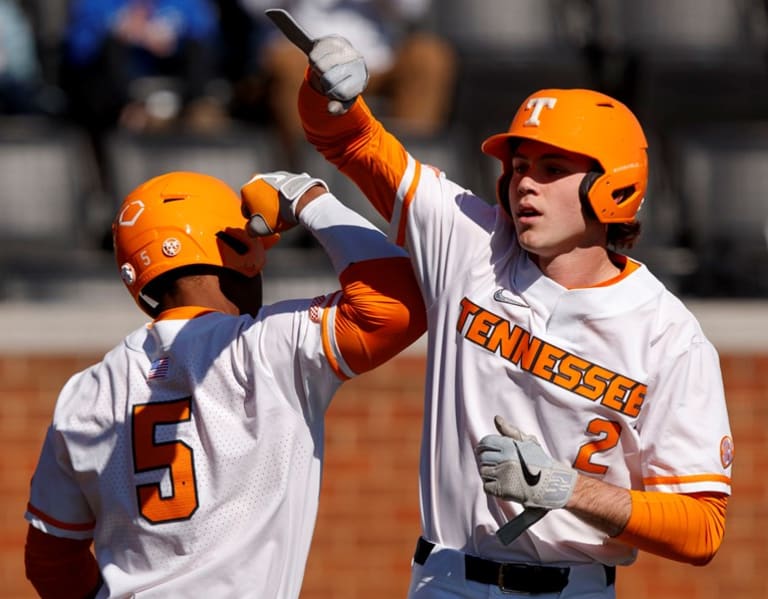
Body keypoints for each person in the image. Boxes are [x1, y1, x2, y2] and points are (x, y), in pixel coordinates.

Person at [290, 30, 734, 598]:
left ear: (615, 187)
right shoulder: (472, 243)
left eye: (552, 168)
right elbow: (349, 141)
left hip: (573, 588)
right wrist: (327, 89)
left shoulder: (669, 335)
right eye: (519, 166)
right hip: (445, 580)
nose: (525, 182)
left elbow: (702, 528)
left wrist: (566, 488)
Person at [24, 169, 426, 597]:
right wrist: (311, 200)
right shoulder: (262, 348)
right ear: (234, 248)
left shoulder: (85, 392)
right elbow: (398, 304)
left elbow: (50, 560)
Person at [233, 0, 456, 168]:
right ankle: (310, 183)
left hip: (376, 62)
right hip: (302, 55)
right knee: (289, 65)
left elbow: (411, 8)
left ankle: (404, 181)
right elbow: (254, 5)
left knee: (429, 59)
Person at [60, 0, 229, 135]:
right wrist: (124, 29)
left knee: (198, 47)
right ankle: (130, 111)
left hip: (167, 66)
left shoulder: (181, 4)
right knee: (111, 48)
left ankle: (198, 107)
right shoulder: (94, 4)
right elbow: (78, 49)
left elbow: (206, 29)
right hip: (113, 84)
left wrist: (169, 31)